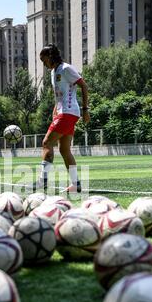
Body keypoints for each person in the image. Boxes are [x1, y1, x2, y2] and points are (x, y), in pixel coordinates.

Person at [33, 44, 90, 193]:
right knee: (64, 150)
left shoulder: (66, 68)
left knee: (46, 142)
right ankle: (75, 184)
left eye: (44, 60)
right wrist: (55, 111)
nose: (43, 64)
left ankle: (42, 180)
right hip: (63, 112)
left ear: (51, 56)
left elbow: (84, 86)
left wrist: (86, 110)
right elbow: (59, 95)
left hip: (69, 112)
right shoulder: (54, 72)